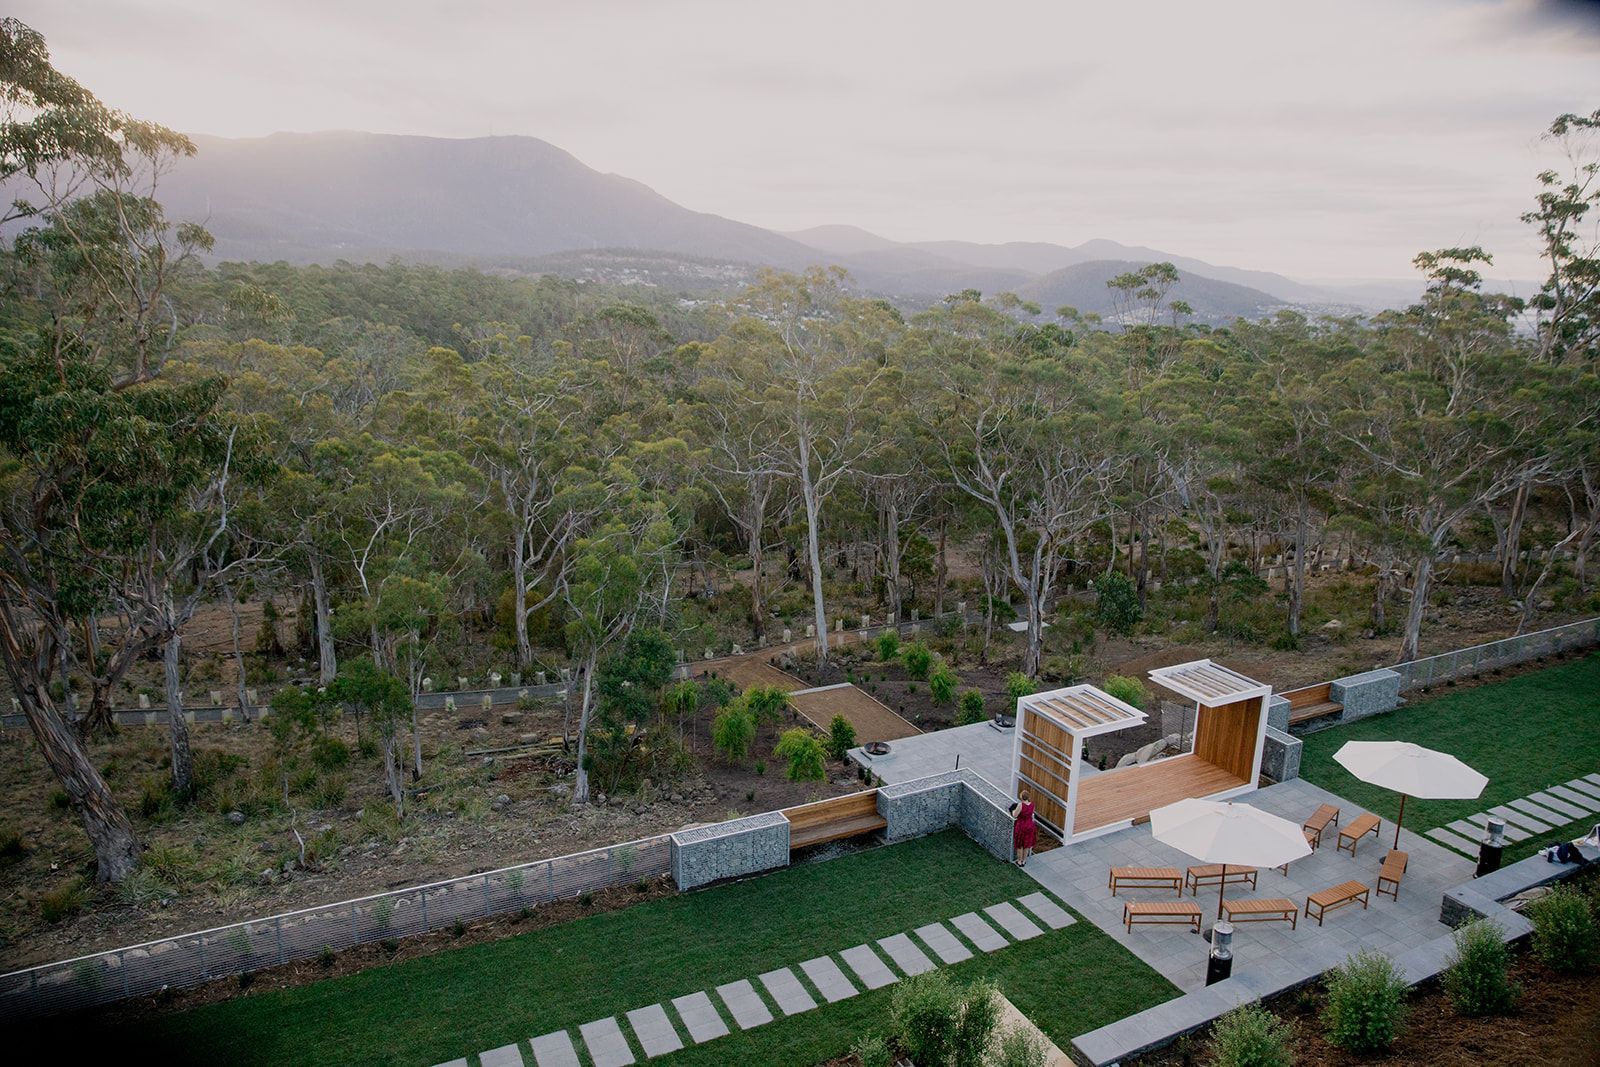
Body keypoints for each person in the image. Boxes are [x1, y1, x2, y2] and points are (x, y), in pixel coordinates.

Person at [1011, 788, 1037, 867]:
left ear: (1022, 797)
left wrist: (1012, 810)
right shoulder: (1032, 805)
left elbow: (1015, 815)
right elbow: (1031, 813)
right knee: (1027, 845)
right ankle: (1024, 860)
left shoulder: (1020, 805)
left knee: (1020, 845)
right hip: (1030, 826)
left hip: (1021, 826)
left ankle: (1019, 861)